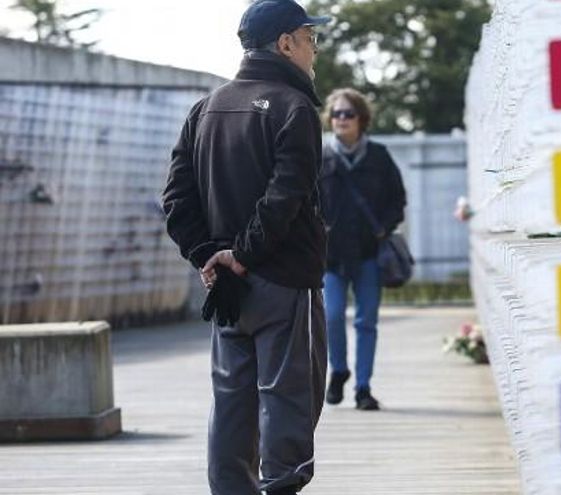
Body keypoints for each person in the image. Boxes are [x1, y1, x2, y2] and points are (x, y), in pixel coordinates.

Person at [161, 1, 330, 493]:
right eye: (310, 39)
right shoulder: (294, 107)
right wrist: (243, 253)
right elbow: (286, 196)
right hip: (283, 280)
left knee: (232, 400)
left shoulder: (205, 109)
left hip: (226, 288)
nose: (314, 50)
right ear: (285, 44)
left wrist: (207, 255)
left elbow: (176, 198)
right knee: (290, 396)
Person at [318, 88, 407, 411]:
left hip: (369, 254)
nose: (341, 119)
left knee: (366, 321)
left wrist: (384, 226)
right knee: (331, 316)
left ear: (361, 119)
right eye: (336, 114)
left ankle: (363, 388)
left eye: (348, 114)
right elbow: (305, 200)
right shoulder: (320, 157)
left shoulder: (379, 156)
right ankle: (339, 370)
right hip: (330, 257)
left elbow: (397, 199)